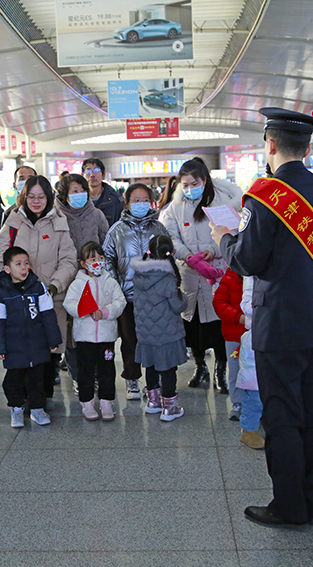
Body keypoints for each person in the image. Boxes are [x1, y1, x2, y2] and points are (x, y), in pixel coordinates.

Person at [212, 108, 313, 528]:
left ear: (270, 144)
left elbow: (248, 261)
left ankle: (288, 506)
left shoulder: (265, 194)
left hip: (279, 326)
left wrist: (225, 238)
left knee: (282, 417)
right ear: (307, 147)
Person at [0, 176, 77, 401]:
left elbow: (68, 259)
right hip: (17, 303)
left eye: (41, 197)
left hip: (48, 301)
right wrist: (0, 285)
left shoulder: (59, 222)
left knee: (49, 353)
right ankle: (23, 401)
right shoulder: (14, 222)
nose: (36, 201)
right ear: (24, 197)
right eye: (31, 197)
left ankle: (42, 399)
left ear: (49, 198)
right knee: (20, 354)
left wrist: (54, 286)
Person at [161, 157, 242, 391]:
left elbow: (232, 234)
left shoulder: (222, 203)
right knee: (193, 327)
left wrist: (212, 251)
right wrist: (186, 255)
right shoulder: (174, 208)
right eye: (184, 185)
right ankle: (200, 366)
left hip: (217, 275)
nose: (189, 189)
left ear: (204, 181)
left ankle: (220, 371)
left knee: (219, 327)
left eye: (193, 184)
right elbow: (170, 237)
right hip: (189, 276)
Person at [103, 183, 170, 401]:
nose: (140, 204)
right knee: (130, 339)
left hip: (155, 298)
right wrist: (117, 288)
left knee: (154, 339)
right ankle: (132, 378)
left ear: (151, 202)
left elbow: (169, 256)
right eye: (135, 200)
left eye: (144, 200)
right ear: (127, 202)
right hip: (128, 296)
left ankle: (154, 381)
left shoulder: (159, 228)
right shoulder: (116, 230)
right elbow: (108, 261)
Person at [0, 246, 62, 427]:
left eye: (26, 264)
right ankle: (16, 407)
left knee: (38, 380)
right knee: (13, 380)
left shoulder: (38, 288)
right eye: (18, 264)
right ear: (7, 269)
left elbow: (48, 316)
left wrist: (53, 340)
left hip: (37, 344)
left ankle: (38, 409)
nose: (24, 268)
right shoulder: (0, 293)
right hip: (14, 347)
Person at [55, 173, 110, 388]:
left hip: (93, 279)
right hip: (68, 280)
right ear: (64, 195)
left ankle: (95, 373)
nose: (79, 195)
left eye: (82, 190)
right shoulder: (56, 216)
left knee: (94, 325)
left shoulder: (96, 215)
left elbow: (106, 243)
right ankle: (78, 376)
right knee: (71, 331)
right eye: (73, 191)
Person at [63, 241, 127, 420]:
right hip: (85, 338)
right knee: (86, 372)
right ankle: (87, 403)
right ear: (83, 263)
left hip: (106, 336)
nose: (97, 262)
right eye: (92, 259)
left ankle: (107, 403)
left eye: (100, 258)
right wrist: (83, 311)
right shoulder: (77, 284)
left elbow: (120, 302)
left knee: (107, 371)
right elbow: (70, 304)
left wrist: (106, 312)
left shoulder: (111, 282)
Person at [131, 234, 188, 421]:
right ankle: (169, 408)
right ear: (169, 253)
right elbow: (178, 306)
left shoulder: (138, 276)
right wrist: (185, 297)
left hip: (145, 333)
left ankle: (153, 403)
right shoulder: (168, 278)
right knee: (168, 370)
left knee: (151, 367)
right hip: (167, 334)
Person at [213, 268, 246, 414]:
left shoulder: (260, 278)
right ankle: (237, 402)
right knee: (235, 371)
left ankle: (258, 404)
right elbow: (219, 303)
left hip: (258, 335)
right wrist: (238, 317)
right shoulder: (228, 279)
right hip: (234, 336)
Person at [236, 276, 263, 449]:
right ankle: (249, 430)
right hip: (258, 337)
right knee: (255, 394)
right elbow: (248, 306)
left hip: (281, 338)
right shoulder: (251, 275)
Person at [82, 158, 124, 227]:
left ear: (103, 174)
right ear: (82, 175)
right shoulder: (77, 199)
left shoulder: (115, 200)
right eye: (88, 171)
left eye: (96, 170)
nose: (92, 175)